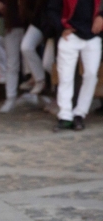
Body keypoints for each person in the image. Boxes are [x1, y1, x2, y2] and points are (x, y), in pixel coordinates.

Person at [49, 0, 103, 130]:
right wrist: (62, 27)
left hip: (93, 35)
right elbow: (51, 9)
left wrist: (101, 16)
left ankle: (79, 113)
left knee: (91, 75)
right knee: (65, 76)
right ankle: (65, 115)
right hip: (70, 34)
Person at [0, 0, 26, 113]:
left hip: (30, 25)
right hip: (13, 25)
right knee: (12, 64)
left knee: (21, 60)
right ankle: (10, 97)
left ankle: (12, 97)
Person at [20, 0, 52, 95]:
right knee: (26, 46)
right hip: (39, 18)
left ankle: (57, 92)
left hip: (53, 21)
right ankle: (39, 79)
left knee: (49, 63)